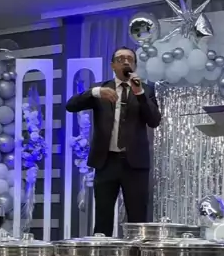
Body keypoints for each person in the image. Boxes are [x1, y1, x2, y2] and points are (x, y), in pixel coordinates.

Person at [66, 47, 161, 236]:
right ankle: (103, 253)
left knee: (137, 217)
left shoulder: (146, 90)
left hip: (135, 164)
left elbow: (154, 121)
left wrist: (140, 93)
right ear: (112, 65)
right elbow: (71, 105)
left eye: (130, 59)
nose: (126, 62)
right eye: (120, 59)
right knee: (103, 217)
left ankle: (136, 253)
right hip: (106, 162)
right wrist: (95, 92)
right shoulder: (101, 89)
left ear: (134, 65)